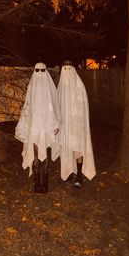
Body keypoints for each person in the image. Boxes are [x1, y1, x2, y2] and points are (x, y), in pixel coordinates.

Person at [15, 62, 60, 193]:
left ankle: (45, 180)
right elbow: (27, 106)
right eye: (37, 70)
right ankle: (36, 180)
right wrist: (24, 125)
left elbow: (54, 107)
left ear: (45, 71)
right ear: (35, 71)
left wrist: (55, 125)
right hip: (34, 126)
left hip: (46, 125)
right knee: (34, 152)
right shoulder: (32, 87)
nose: (39, 73)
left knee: (44, 153)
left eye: (42, 70)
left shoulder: (49, 88)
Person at [52, 60, 96, 188]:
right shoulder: (60, 88)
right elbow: (57, 107)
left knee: (77, 150)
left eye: (69, 69)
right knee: (66, 150)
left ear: (73, 70)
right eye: (64, 69)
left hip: (77, 125)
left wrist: (78, 122)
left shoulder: (79, 86)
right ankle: (67, 173)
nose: (67, 72)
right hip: (64, 126)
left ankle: (79, 176)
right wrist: (57, 125)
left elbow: (83, 106)